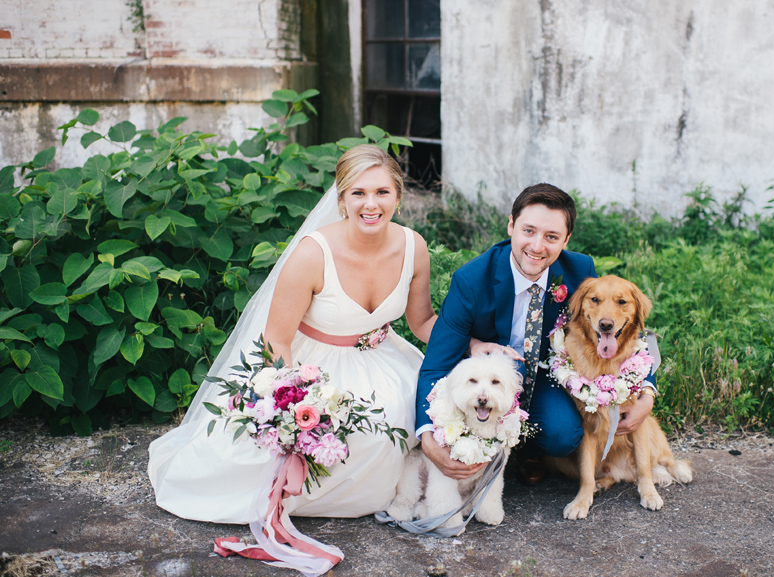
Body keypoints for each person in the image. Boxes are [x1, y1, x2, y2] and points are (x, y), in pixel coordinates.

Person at [148, 144, 436, 524]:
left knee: (404, 414)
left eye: (382, 192)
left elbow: (422, 321)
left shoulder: (413, 247)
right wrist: (294, 402)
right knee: (263, 458)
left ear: (397, 198)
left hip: (380, 360)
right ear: (342, 199)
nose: (371, 204)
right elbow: (276, 339)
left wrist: (473, 345)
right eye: (359, 192)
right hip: (311, 367)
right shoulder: (312, 255)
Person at [415, 183, 659, 484]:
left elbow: (626, 334)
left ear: (566, 240)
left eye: (552, 237)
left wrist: (647, 392)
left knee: (564, 434)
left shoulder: (579, 270)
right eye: (528, 231)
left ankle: (529, 450)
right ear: (511, 225)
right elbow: (437, 363)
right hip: (491, 377)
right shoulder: (470, 280)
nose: (538, 246)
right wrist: (426, 436)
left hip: (547, 378)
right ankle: (492, 441)